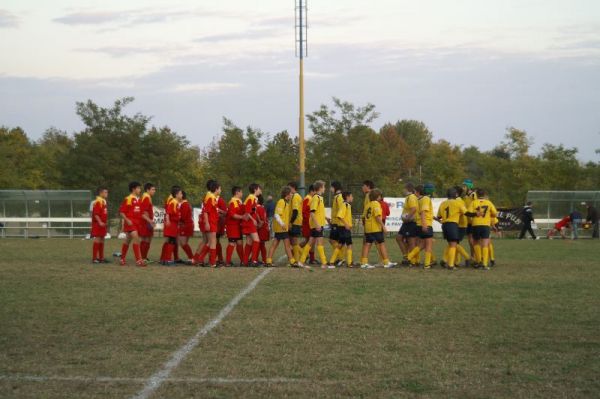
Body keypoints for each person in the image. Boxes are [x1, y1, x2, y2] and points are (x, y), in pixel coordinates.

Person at [360, 189, 396, 269]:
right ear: (378, 197)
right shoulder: (376, 204)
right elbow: (377, 216)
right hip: (375, 228)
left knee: (367, 244)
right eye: (380, 196)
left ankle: (364, 263)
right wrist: (383, 226)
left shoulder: (368, 205)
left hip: (368, 228)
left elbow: (363, 217)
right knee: (381, 243)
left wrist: (365, 226)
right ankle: (386, 262)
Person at [436, 187, 471, 270]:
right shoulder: (458, 202)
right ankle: (452, 264)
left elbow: (439, 216)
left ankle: (448, 261)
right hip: (455, 225)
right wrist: (476, 214)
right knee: (454, 244)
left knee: (452, 243)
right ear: (456, 194)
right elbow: (466, 213)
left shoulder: (443, 203)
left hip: (445, 225)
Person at [266, 186, 300, 268]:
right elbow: (277, 215)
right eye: (291, 193)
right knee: (286, 245)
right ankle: (292, 261)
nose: (292, 195)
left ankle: (269, 261)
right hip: (281, 228)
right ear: (287, 194)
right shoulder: (281, 202)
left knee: (275, 244)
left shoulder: (285, 203)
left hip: (281, 228)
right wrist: (282, 224)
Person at [299, 180, 329, 268]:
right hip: (317, 225)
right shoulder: (316, 198)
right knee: (320, 243)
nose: (325, 189)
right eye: (324, 187)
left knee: (310, 243)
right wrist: (317, 225)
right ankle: (324, 263)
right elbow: (312, 213)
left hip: (317, 224)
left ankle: (301, 261)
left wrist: (326, 218)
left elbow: (319, 213)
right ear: (320, 188)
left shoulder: (319, 198)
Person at [407, 183, 436, 268]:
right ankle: (427, 264)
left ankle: (410, 258)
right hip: (425, 224)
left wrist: (437, 219)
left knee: (421, 245)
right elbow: (423, 212)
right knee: (428, 245)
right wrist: (424, 225)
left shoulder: (419, 199)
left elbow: (425, 212)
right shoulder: (426, 198)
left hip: (418, 224)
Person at [194, 180, 222, 267]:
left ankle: (203, 260)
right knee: (211, 242)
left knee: (210, 242)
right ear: (216, 189)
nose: (221, 190)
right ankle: (210, 262)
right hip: (210, 221)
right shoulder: (210, 197)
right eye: (220, 188)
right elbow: (206, 211)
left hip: (212, 221)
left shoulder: (212, 197)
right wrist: (206, 223)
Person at [469, 188, 498, 270]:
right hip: (485, 225)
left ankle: (478, 262)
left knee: (476, 243)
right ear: (485, 195)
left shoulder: (473, 202)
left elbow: (469, 213)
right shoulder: (489, 203)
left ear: (477, 195)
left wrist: (476, 214)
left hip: (476, 225)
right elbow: (495, 213)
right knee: (485, 244)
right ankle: (485, 264)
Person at [118, 181, 145, 267]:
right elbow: (122, 212)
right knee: (136, 239)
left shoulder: (139, 199)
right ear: (133, 189)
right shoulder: (128, 199)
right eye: (138, 188)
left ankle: (122, 259)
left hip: (137, 223)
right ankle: (138, 260)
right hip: (130, 223)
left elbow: (140, 213)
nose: (140, 190)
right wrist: (126, 220)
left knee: (127, 240)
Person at [396, 182, 418, 265]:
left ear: (408, 189)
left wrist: (407, 218)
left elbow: (414, 209)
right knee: (399, 238)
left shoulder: (411, 197)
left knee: (411, 241)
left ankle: (411, 260)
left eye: (404, 189)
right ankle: (407, 256)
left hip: (410, 222)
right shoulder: (408, 197)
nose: (403, 190)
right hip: (407, 222)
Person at [242, 183, 262, 266]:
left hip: (249, 222)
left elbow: (252, 210)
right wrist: (253, 219)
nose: (261, 190)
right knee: (256, 240)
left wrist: (257, 219)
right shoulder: (251, 198)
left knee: (249, 242)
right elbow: (247, 211)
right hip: (249, 223)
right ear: (255, 190)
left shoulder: (253, 198)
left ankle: (245, 261)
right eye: (259, 189)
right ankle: (253, 261)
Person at [161, 186, 182, 265]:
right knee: (171, 241)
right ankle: (168, 259)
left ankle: (165, 259)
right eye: (180, 194)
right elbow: (168, 212)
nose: (181, 195)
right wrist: (168, 221)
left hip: (174, 224)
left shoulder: (175, 202)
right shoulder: (173, 202)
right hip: (171, 224)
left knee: (171, 241)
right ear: (176, 195)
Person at [225, 186, 245, 266]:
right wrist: (242, 217)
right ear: (237, 193)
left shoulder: (239, 201)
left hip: (238, 226)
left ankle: (243, 260)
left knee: (240, 243)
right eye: (241, 192)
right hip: (232, 226)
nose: (242, 193)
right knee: (232, 243)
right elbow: (232, 214)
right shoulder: (233, 202)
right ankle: (227, 262)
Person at [90, 187, 109, 264]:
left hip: (103, 224)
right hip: (98, 224)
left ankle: (101, 258)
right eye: (105, 192)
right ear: (101, 193)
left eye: (107, 192)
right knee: (97, 239)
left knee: (102, 239)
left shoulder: (103, 201)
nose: (107, 194)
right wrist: (100, 222)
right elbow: (96, 214)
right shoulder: (98, 201)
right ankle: (94, 258)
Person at [138, 183, 156, 262]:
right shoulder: (146, 197)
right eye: (152, 189)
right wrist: (150, 221)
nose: (154, 191)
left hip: (146, 221)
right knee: (146, 239)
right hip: (145, 222)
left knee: (147, 239)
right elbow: (143, 212)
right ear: (147, 190)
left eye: (154, 189)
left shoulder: (146, 197)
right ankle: (143, 258)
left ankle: (143, 257)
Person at [288, 182, 304, 262]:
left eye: (289, 187)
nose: (288, 189)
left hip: (295, 222)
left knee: (294, 242)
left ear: (293, 187)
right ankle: (303, 255)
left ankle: (297, 260)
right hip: (294, 221)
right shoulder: (293, 196)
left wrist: (291, 222)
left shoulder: (295, 197)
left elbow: (295, 211)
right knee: (291, 242)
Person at [329, 181, 344, 265]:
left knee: (332, 240)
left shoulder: (339, 197)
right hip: (335, 222)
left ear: (335, 187)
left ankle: (341, 258)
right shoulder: (337, 197)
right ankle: (340, 258)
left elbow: (342, 210)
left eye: (331, 187)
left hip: (338, 223)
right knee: (337, 241)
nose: (330, 189)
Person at [301, 184, 316, 264]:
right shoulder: (308, 198)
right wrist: (308, 221)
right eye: (315, 191)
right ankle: (296, 251)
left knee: (311, 240)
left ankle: (312, 259)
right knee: (309, 240)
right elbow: (304, 211)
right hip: (307, 223)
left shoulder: (311, 198)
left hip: (310, 223)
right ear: (311, 191)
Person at [178, 191, 195, 263]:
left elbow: (183, 217)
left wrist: (176, 219)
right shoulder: (185, 204)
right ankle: (191, 258)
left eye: (179, 194)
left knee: (183, 243)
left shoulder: (184, 204)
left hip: (186, 225)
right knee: (184, 243)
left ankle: (192, 258)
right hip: (188, 225)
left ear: (182, 196)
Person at [256, 194, 270, 264]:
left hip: (261, 229)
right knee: (261, 245)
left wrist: (256, 227)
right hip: (264, 228)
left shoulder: (258, 208)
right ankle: (263, 259)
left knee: (258, 244)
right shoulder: (262, 207)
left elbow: (261, 222)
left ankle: (255, 259)